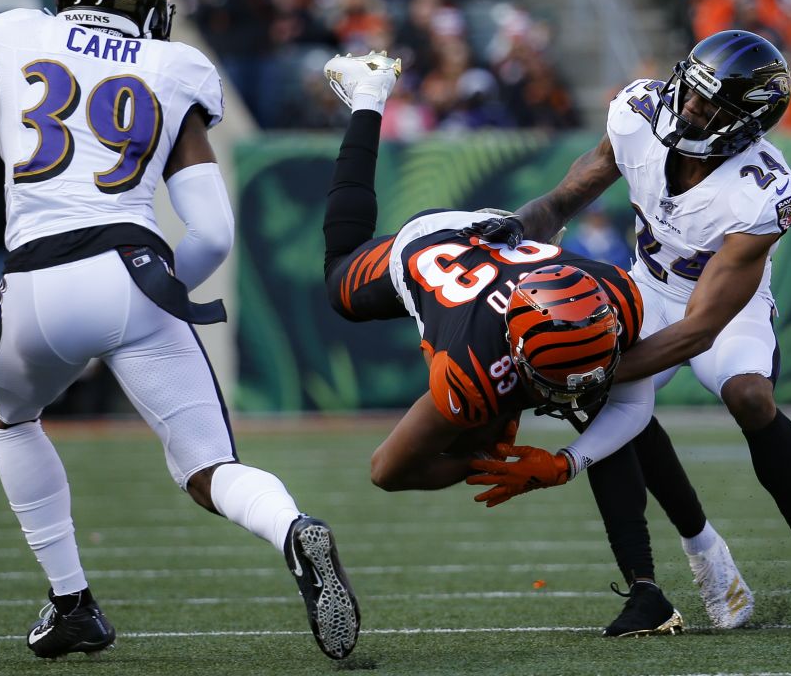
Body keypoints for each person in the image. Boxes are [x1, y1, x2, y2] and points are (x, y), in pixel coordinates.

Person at [0, 0, 359, 660]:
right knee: (206, 467)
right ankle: (290, 527)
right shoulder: (172, 66)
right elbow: (213, 233)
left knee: (9, 417)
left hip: (36, 279)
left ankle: (73, 603)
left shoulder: (15, 33)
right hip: (135, 270)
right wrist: (159, 288)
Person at [319, 50, 754, 635]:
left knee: (599, 404)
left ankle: (651, 588)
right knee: (338, 282)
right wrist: (488, 464)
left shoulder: (609, 295)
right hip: (433, 248)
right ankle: (368, 96)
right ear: (518, 362)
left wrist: (561, 465)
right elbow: (387, 471)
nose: (567, 394)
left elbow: (631, 401)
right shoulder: (469, 375)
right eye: (549, 384)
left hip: (515, 251)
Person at [466, 30, 791, 632]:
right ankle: (665, 575)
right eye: (690, 91)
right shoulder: (638, 115)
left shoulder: (760, 192)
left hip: (721, 310)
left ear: (746, 122)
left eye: (709, 106)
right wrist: (506, 230)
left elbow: (700, 330)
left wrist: (589, 371)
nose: (688, 108)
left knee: (748, 396)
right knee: (600, 393)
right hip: (646, 287)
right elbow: (559, 203)